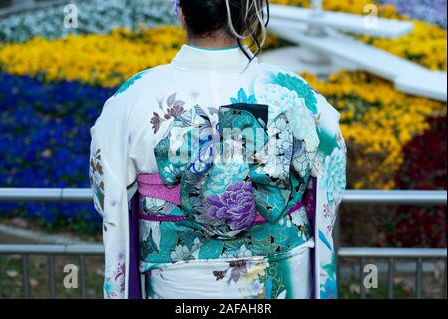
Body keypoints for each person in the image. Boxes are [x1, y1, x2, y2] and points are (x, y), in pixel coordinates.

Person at [89, 0, 347, 299]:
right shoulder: (293, 91)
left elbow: (106, 192)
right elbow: (332, 176)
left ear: (183, 17)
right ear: (250, 18)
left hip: (180, 275)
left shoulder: (134, 97)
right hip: (282, 264)